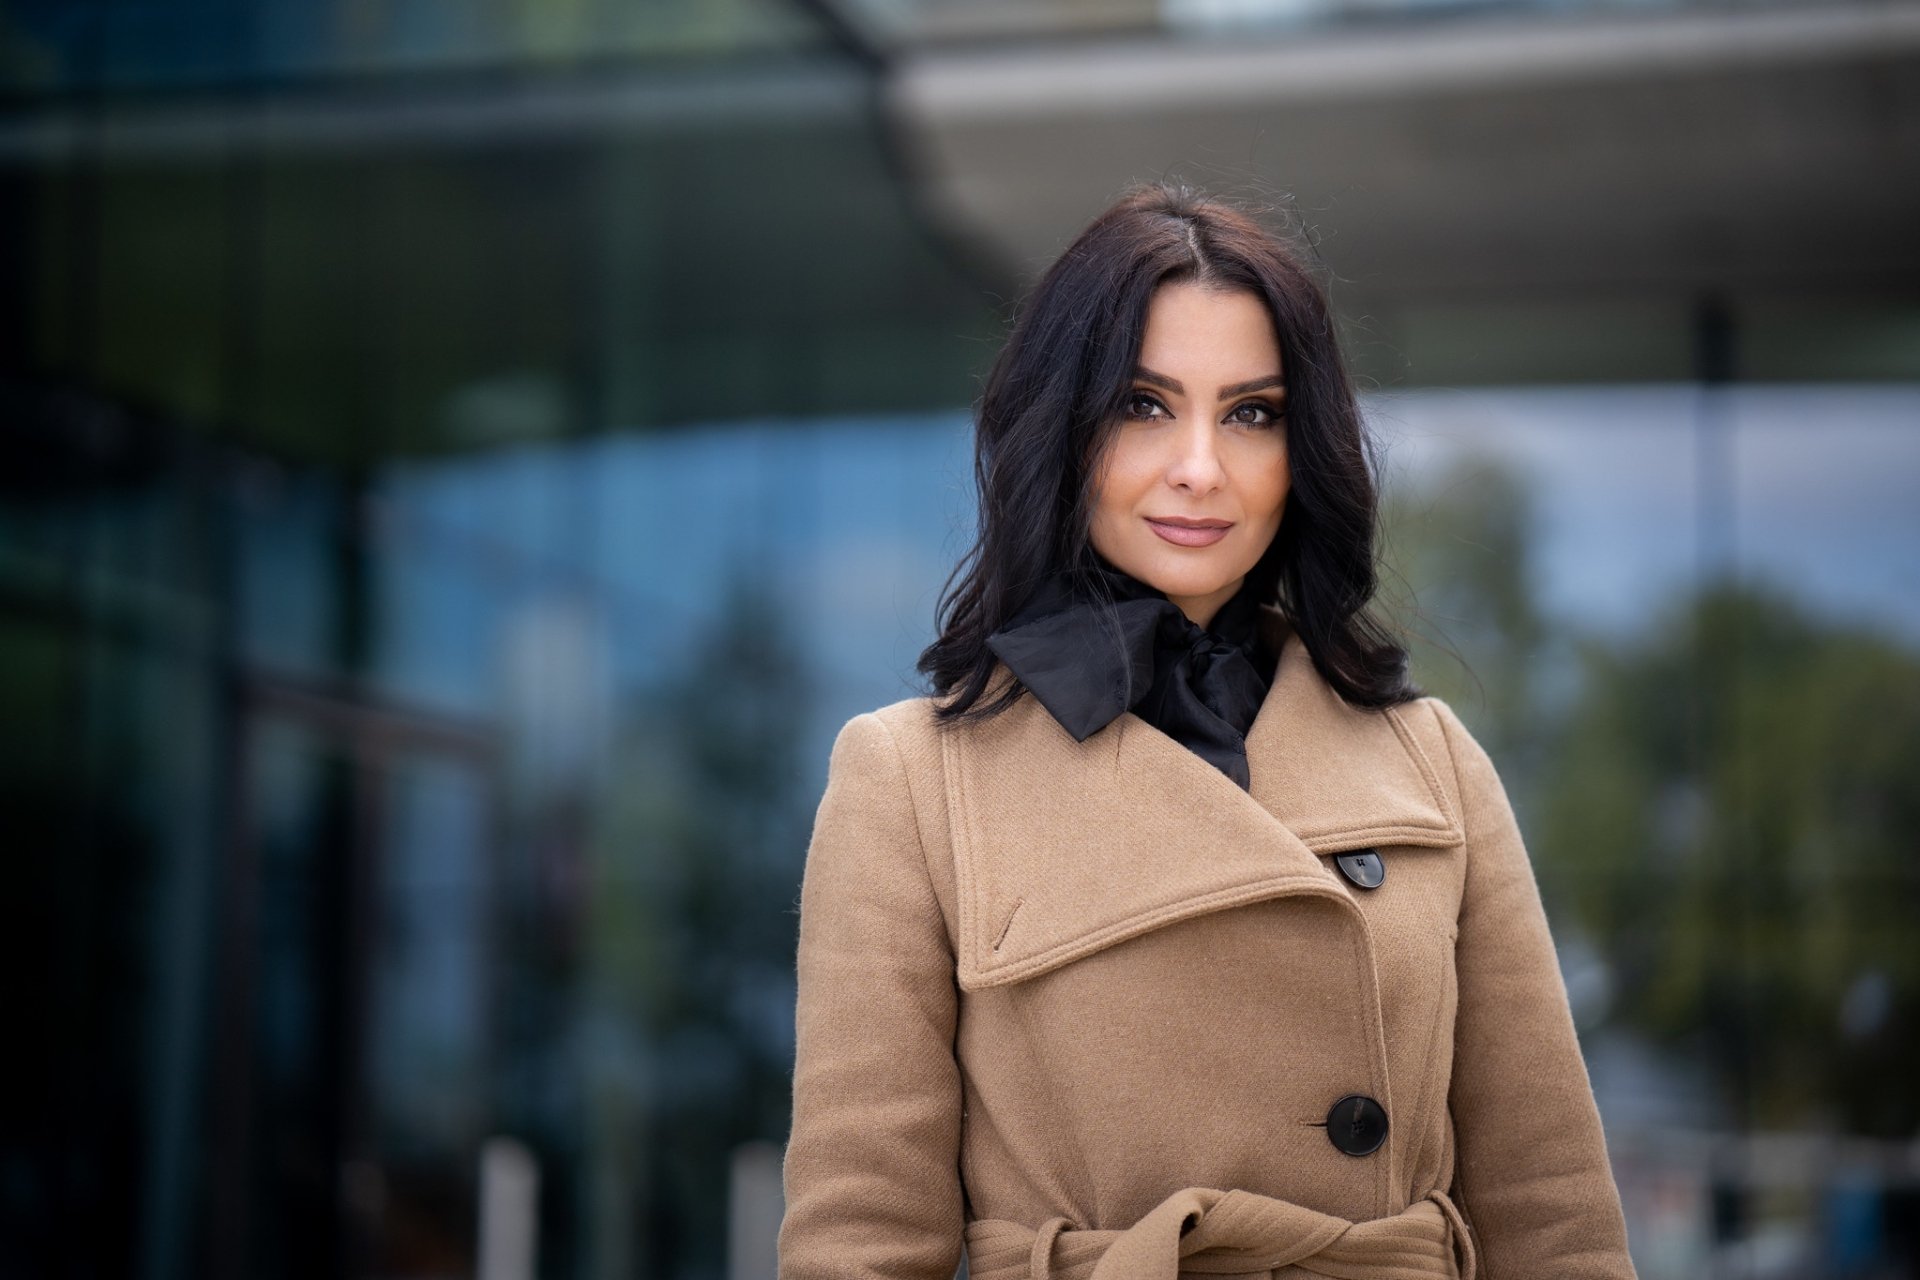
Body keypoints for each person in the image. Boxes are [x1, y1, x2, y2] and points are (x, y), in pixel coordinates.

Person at [776, 183, 1636, 1280]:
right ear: (1062, 430)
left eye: (1251, 413)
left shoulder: (1432, 763)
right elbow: (860, 1240)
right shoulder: (912, 779)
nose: (1200, 466)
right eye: (1143, 405)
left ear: (1302, 449)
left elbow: (1554, 1215)